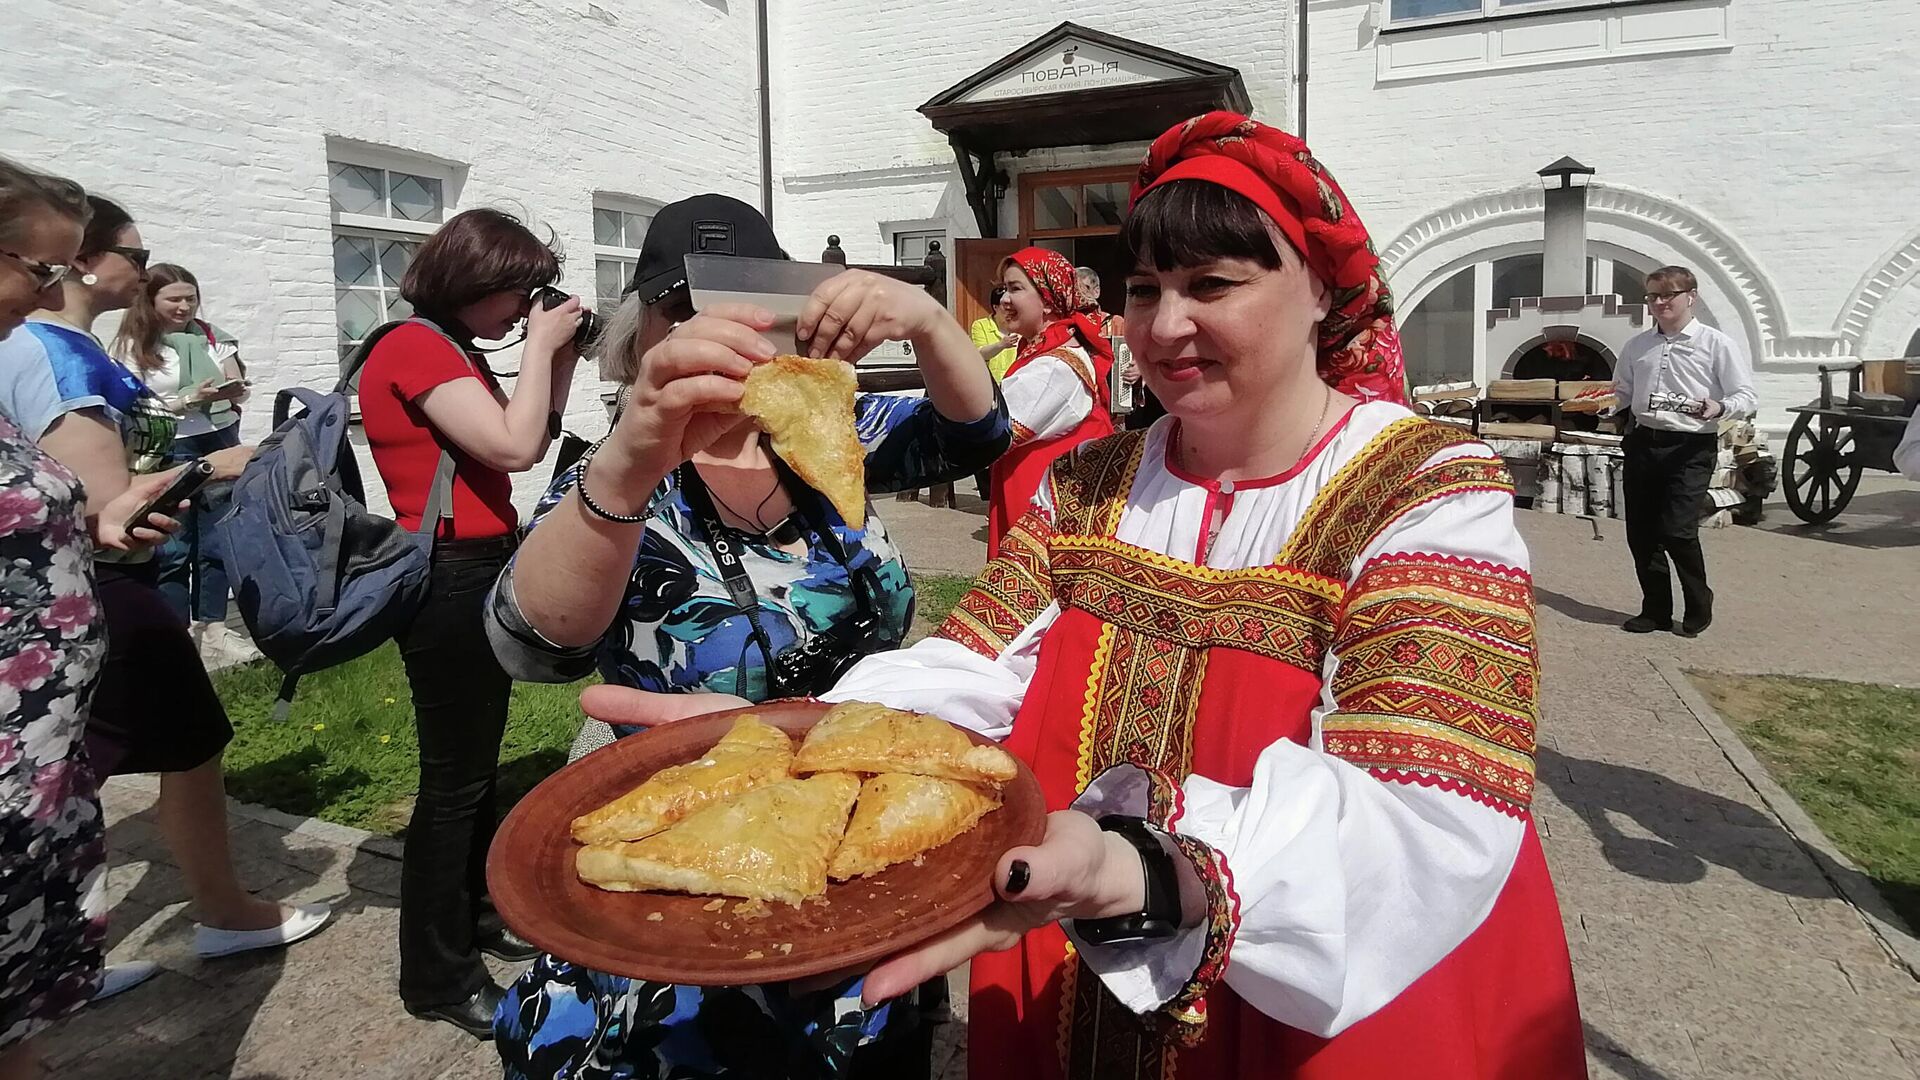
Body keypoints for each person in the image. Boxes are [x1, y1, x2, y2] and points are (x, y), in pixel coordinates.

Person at [573, 112, 1588, 1079]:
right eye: (1144, 289)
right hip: (1072, 939)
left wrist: (1148, 871)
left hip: (1318, 989)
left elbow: (1425, 812)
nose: (1167, 324)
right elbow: (975, 663)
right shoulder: (1095, 481)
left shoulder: (1425, 490)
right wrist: (802, 737)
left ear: (1321, 289)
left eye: (1213, 282)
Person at [486, 193, 1008, 1076]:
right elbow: (533, 644)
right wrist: (637, 455)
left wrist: (925, 314)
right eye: (685, 308)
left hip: (852, 857)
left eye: (751, 303)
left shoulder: (818, 431)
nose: (722, 330)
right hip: (691, 872)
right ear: (642, 332)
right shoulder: (610, 474)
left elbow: (978, 433)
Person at [0, 193, 331, 1012]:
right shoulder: (54, 351)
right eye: (134, 256)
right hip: (80, 602)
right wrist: (232, 462)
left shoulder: (60, 342)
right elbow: (102, 501)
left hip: (78, 601)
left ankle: (60, 950)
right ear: (82, 261)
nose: (144, 273)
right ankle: (213, 913)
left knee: (96, 767)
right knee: (165, 744)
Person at [353, 207, 584, 1036]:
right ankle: (437, 976)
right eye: (517, 295)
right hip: (445, 576)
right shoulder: (412, 346)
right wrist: (544, 347)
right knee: (452, 786)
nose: (523, 312)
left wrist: (553, 364)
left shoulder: (450, 350)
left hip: (478, 565)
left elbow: (533, 433)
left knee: (477, 771)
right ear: (473, 281)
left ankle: (476, 915)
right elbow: (514, 451)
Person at [0, 156, 197, 1080]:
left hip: (39, 739)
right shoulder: (42, 349)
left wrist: (101, 517)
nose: (50, 290)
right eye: (38, 267)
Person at [112, 263, 252, 653]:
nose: (185, 306)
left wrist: (232, 392)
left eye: (191, 298)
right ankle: (176, 634)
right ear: (150, 299)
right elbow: (132, 408)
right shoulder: (133, 347)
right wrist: (190, 399)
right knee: (173, 545)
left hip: (219, 438)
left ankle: (213, 627)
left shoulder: (211, 337)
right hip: (169, 447)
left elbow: (236, 387)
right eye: (174, 298)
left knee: (218, 536)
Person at [1611, 265, 1755, 637]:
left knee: (1677, 530)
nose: (1659, 303)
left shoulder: (1716, 344)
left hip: (1690, 446)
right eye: (1652, 297)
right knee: (1641, 533)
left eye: (1667, 295)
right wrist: (1608, 409)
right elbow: (1623, 391)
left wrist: (1719, 407)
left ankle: (1698, 599)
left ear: (1690, 297)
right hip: (1644, 442)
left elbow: (1746, 395)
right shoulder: (1637, 346)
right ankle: (1655, 610)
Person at [985, 247, 1114, 556]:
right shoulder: (1043, 353)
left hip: (1046, 529)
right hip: (1038, 515)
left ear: (1046, 299)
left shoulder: (1055, 366)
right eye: (1004, 288)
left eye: (1015, 288)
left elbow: (991, 432)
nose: (1004, 299)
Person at [968, 285, 1017, 379]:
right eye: (1006, 307)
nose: (1010, 311)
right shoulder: (980, 325)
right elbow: (980, 355)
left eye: (1013, 307)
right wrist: (1001, 345)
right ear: (995, 307)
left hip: (1014, 384)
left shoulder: (1020, 326)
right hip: (990, 384)